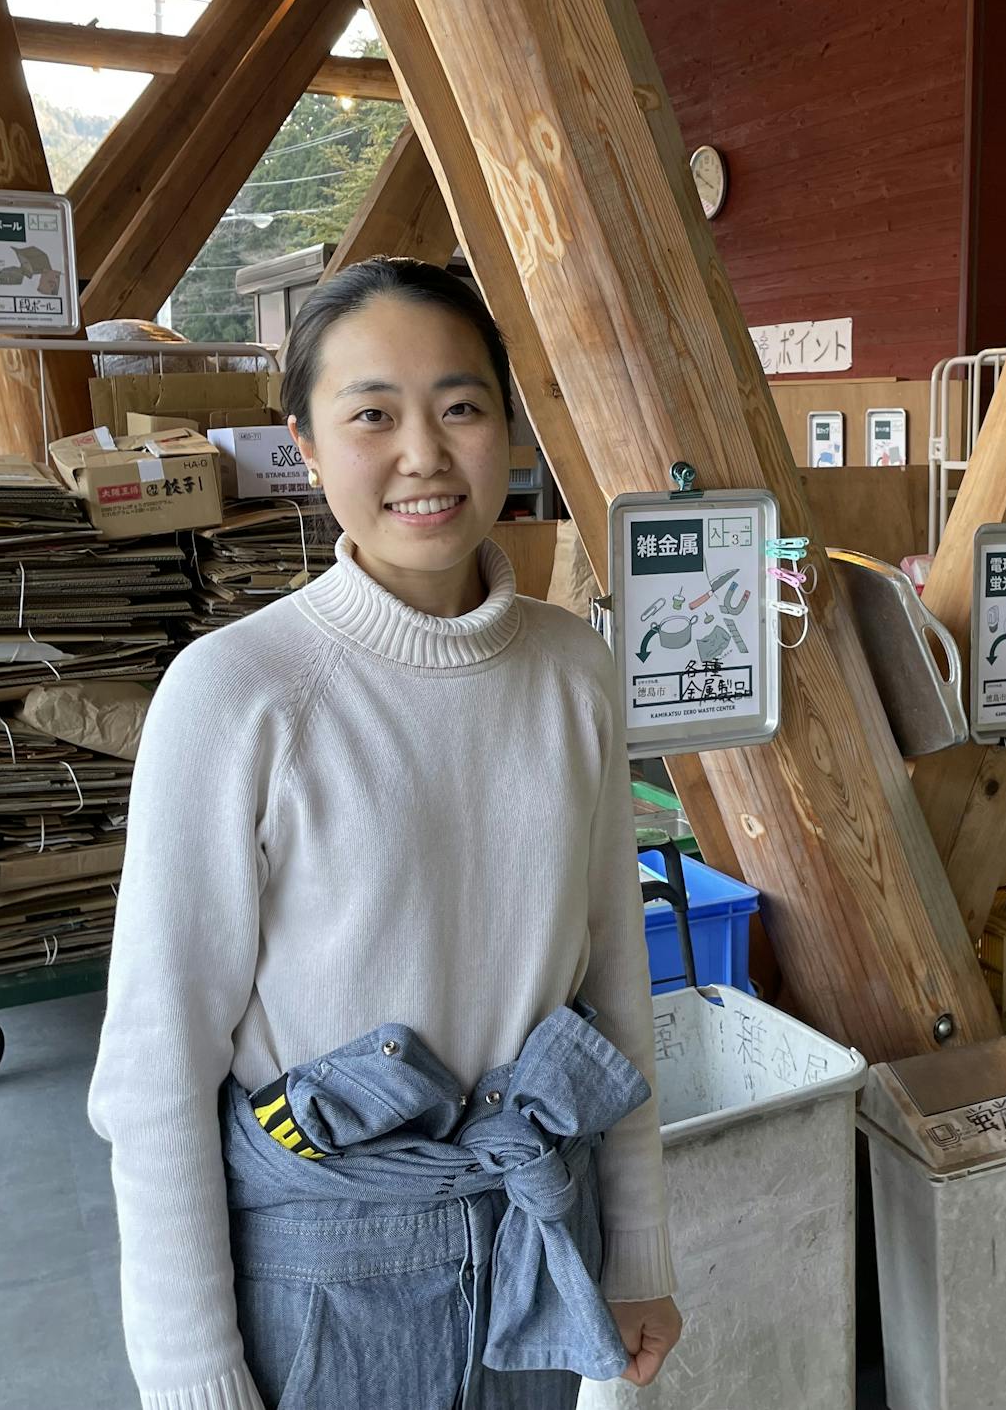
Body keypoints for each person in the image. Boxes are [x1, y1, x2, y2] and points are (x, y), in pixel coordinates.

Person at [89, 257, 682, 1410]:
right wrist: (193, 1377)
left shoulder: (573, 670)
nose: (423, 453)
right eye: (372, 415)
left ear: (506, 429)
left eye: (461, 407)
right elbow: (159, 1070)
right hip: (319, 1280)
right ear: (305, 446)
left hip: (537, 1241)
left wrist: (640, 1255)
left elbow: (617, 990)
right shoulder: (238, 693)